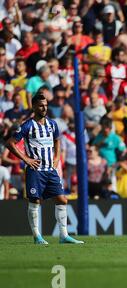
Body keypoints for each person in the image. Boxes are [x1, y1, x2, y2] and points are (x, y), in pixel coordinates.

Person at [5, 93, 84, 244]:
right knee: (35, 201)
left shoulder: (52, 124)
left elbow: (57, 140)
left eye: (46, 105)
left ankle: (63, 236)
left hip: (50, 169)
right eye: (41, 105)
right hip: (35, 170)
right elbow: (10, 143)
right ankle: (37, 236)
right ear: (34, 106)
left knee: (62, 200)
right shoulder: (27, 125)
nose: (44, 108)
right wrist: (26, 159)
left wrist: (57, 157)